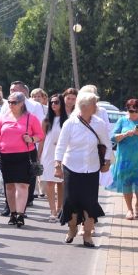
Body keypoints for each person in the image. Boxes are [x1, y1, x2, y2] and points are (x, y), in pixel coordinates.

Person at [54, 90, 113, 248]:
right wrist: (57, 165)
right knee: (71, 202)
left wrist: (107, 162)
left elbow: (107, 144)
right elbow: (61, 146)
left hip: (92, 169)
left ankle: (87, 235)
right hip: (71, 167)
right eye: (94, 104)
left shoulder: (99, 123)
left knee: (90, 203)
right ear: (86, 106)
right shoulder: (70, 123)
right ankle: (72, 229)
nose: (96, 107)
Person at [0, 91, 44, 228]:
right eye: (9, 101)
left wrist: (31, 139)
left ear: (22, 103)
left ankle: (20, 214)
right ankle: (13, 213)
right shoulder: (2, 118)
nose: (10, 104)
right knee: (9, 186)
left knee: (22, 185)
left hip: (25, 155)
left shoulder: (30, 118)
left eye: (14, 102)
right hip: (6, 155)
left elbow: (40, 135)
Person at [107, 98, 138, 219]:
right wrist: (125, 134)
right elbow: (112, 137)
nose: (133, 113)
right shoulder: (122, 120)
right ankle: (129, 209)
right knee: (126, 182)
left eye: (135, 111)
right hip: (125, 157)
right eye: (130, 110)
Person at [40, 94, 68, 219]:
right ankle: (53, 210)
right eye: (51, 102)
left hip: (63, 154)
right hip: (48, 153)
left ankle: (60, 207)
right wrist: (38, 155)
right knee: (49, 182)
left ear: (62, 103)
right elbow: (42, 140)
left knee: (61, 183)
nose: (53, 105)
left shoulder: (67, 120)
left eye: (56, 102)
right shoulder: (46, 121)